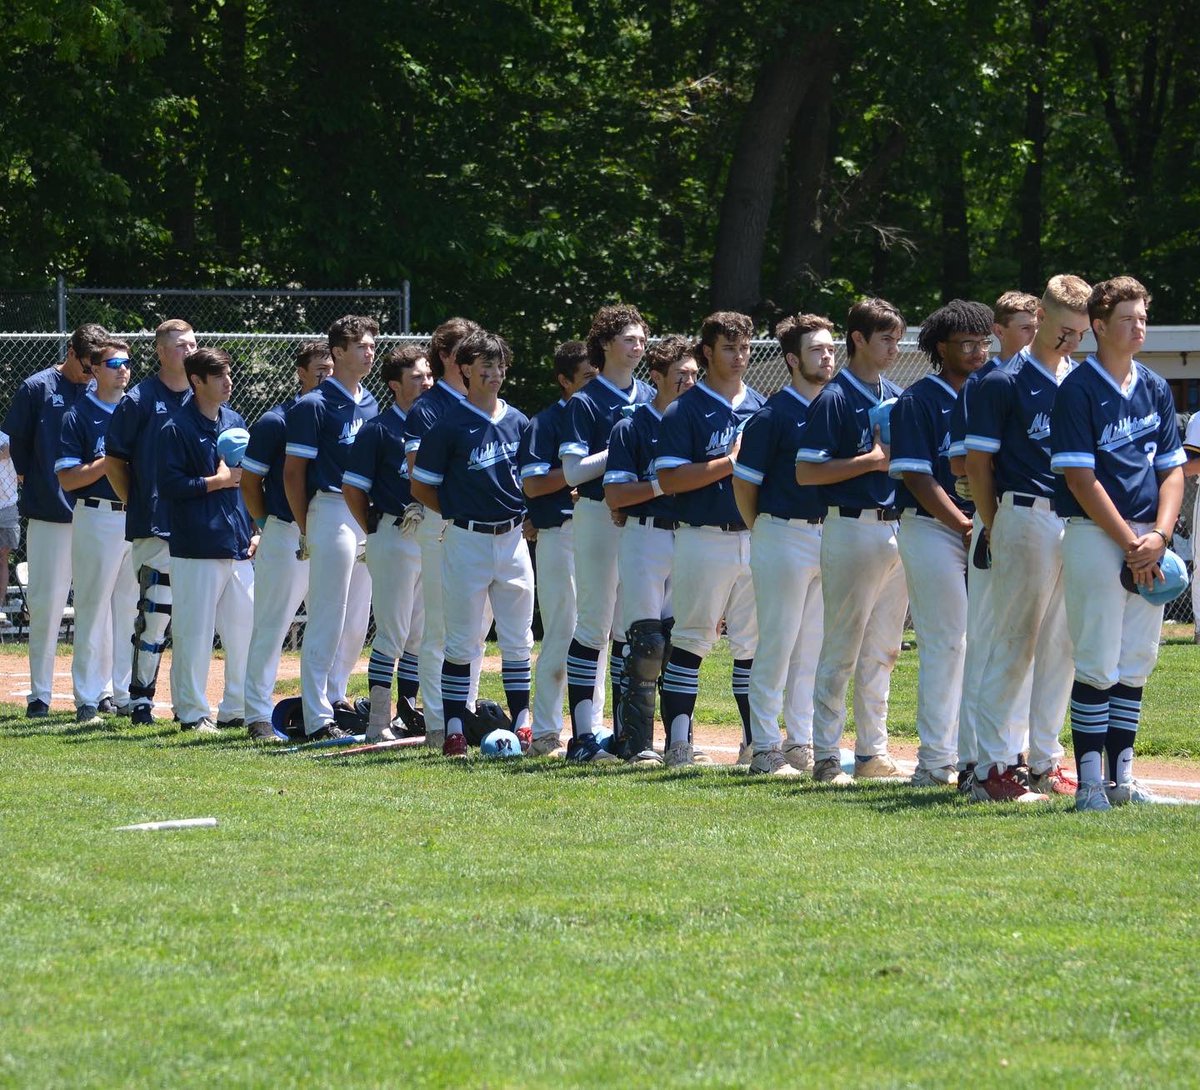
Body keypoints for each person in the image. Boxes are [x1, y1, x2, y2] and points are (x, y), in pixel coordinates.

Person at [1051, 276, 1186, 809]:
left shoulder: (1153, 385)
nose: (1139, 326)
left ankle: (1122, 781)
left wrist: (1159, 535)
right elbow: (1081, 480)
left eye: (1143, 317)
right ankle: (1088, 785)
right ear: (1099, 327)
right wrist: (1134, 542)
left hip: (1145, 537)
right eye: (1127, 318)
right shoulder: (1078, 389)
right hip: (1094, 535)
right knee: (1097, 662)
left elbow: (1172, 472)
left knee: (1135, 660)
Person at [965, 274, 1092, 802]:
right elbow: (976, 464)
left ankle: (1044, 761)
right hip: (1025, 512)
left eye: (1080, 333)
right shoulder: (1003, 381)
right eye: (1063, 329)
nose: (1070, 341)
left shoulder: (1082, 380)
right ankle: (993, 767)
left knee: (1062, 647)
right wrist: (995, 522)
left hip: (1073, 520)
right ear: (1041, 317)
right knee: (1014, 643)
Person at [796, 298, 910, 784]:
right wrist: (870, 461)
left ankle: (871, 753)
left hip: (895, 526)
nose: (893, 347)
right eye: (884, 337)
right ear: (858, 339)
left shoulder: (897, 393)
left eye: (897, 337)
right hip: (849, 525)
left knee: (884, 649)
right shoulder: (833, 397)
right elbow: (806, 471)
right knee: (841, 645)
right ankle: (825, 754)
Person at [411, 330, 534, 758]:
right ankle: (455, 729)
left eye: (500, 364)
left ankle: (523, 724)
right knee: (461, 640)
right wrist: (456, 510)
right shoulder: (449, 424)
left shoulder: (518, 420)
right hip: (466, 539)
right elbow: (422, 486)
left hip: (514, 538)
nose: (495, 372)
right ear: (464, 369)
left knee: (518, 638)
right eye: (486, 364)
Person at [655, 311, 766, 767]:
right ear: (707, 352)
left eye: (744, 348)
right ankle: (678, 743)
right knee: (691, 639)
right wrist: (728, 463)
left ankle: (753, 742)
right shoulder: (685, 409)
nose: (739, 356)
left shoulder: (760, 404)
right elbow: (669, 479)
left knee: (754, 645)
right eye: (728, 348)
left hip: (755, 535)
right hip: (703, 536)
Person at [889, 301, 992, 786]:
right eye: (965, 343)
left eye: (982, 341)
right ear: (940, 348)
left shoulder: (991, 393)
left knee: (982, 646)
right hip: (932, 528)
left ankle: (975, 757)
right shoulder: (919, 399)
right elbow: (915, 475)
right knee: (946, 643)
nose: (976, 350)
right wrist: (965, 526)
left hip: (983, 527)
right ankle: (933, 762)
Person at [732, 313, 835, 776]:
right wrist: (764, 529)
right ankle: (766, 747)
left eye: (831, 348)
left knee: (811, 645)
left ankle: (800, 742)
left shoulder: (835, 407)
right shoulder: (772, 415)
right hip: (781, 531)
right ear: (792, 359)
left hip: (826, 534)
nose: (827, 356)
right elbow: (744, 485)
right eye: (817, 349)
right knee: (775, 643)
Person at [947, 291, 1039, 789]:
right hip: (997, 517)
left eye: (1036, 324)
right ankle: (974, 762)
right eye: (1023, 326)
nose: (1033, 334)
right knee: (985, 641)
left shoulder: (1052, 378)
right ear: (999, 331)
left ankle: (1014, 754)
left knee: (1027, 645)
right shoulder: (984, 382)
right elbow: (962, 463)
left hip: (1039, 525)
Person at [559, 304, 655, 762]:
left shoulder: (652, 393)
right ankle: (582, 736)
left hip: (639, 517)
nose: (637, 346)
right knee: (594, 624)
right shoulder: (585, 400)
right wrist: (618, 448)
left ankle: (623, 734)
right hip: (598, 513)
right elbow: (574, 472)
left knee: (629, 629)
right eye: (628, 339)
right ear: (605, 345)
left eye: (641, 339)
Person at [4, 323, 109, 716]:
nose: (92, 373)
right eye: (87, 365)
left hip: (96, 516)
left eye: (99, 365)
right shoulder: (38, 388)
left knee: (96, 607)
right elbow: (15, 443)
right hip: (50, 514)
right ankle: (40, 695)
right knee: (46, 606)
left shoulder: (105, 389)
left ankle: (99, 692)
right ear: (70, 352)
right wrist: (36, 481)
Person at [284, 315, 379, 741]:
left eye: (372, 345)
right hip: (329, 508)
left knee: (358, 617)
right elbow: (292, 474)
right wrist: (308, 526)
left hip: (364, 513)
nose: (369, 352)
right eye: (360, 345)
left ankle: (336, 696)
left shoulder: (371, 401)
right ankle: (316, 716)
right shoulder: (314, 405)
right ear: (337, 352)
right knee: (327, 615)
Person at [604, 334, 699, 761]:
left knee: (680, 642)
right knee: (646, 645)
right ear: (656, 377)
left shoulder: (702, 422)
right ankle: (636, 742)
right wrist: (665, 484)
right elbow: (617, 496)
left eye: (695, 374)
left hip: (692, 536)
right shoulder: (633, 425)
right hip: (645, 534)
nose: (689, 382)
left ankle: (681, 740)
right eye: (680, 375)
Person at [157, 348, 256, 733]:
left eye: (229, 374)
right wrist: (215, 481)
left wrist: (255, 526)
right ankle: (192, 712)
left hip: (237, 543)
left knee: (243, 630)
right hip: (196, 546)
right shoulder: (176, 427)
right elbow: (168, 485)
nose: (228, 382)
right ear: (197, 381)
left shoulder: (234, 419)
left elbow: (247, 480)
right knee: (194, 634)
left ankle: (236, 707)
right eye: (219, 376)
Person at [239, 341, 333, 742]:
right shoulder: (277, 421)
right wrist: (269, 525)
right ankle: (258, 715)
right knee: (272, 625)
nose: (326, 374)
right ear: (299, 371)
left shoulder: (339, 418)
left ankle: (324, 711)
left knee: (331, 625)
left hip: (330, 532)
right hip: (285, 532)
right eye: (318, 368)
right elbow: (249, 483)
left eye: (332, 367)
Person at [106, 319, 198, 724]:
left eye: (193, 343)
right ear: (160, 351)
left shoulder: (205, 397)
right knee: (155, 613)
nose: (189, 350)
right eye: (180, 345)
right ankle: (141, 697)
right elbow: (114, 461)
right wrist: (137, 503)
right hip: (154, 526)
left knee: (194, 618)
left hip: (198, 529)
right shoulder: (139, 399)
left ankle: (189, 707)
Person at [344, 344, 434, 742]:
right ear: (395, 385)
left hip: (430, 536)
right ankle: (377, 720)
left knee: (420, 633)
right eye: (417, 377)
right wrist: (377, 527)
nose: (427, 382)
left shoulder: (435, 423)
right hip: (394, 534)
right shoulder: (379, 429)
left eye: (429, 374)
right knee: (393, 634)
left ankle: (407, 712)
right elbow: (353, 489)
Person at [403, 317, 486, 751]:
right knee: (440, 625)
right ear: (450, 358)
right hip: (442, 521)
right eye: (469, 352)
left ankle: (464, 712)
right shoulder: (429, 406)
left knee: (477, 624)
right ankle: (439, 723)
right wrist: (456, 507)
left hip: (483, 528)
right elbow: (418, 472)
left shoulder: (486, 401)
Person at [517, 340, 599, 757]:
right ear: (564, 381)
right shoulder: (546, 422)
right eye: (586, 376)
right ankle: (547, 730)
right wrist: (574, 476)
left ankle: (594, 728)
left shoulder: (602, 414)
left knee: (599, 633)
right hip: (560, 534)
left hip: (598, 532)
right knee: (562, 634)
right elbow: (531, 484)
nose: (594, 382)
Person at [55, 339, 138, 725]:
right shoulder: (79, 414)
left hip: (133, 517)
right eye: (115, 363)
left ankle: (122, 694)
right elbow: (69, 479)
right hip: (97, 515)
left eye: (127, 363)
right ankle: (88, 696)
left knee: (129, 610)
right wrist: (108, 463)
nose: (123, 369)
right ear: (95, 369)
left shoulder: (135, 410)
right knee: (91, 608)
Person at [0, 429, 19, 615]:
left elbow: (8, 451)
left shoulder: (7, 437)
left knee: (3, 558)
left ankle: (0, 605)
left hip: (8, 505)